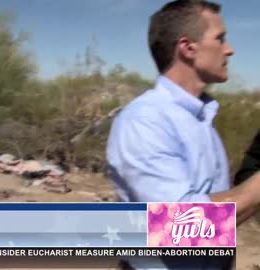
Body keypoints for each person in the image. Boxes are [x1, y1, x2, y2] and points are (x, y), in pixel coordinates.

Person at [106, 0, 260, 269]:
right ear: (188, 48)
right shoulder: (145, 120)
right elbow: (183, 224)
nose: (230, 49)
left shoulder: (201, 117)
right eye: (220, 39)